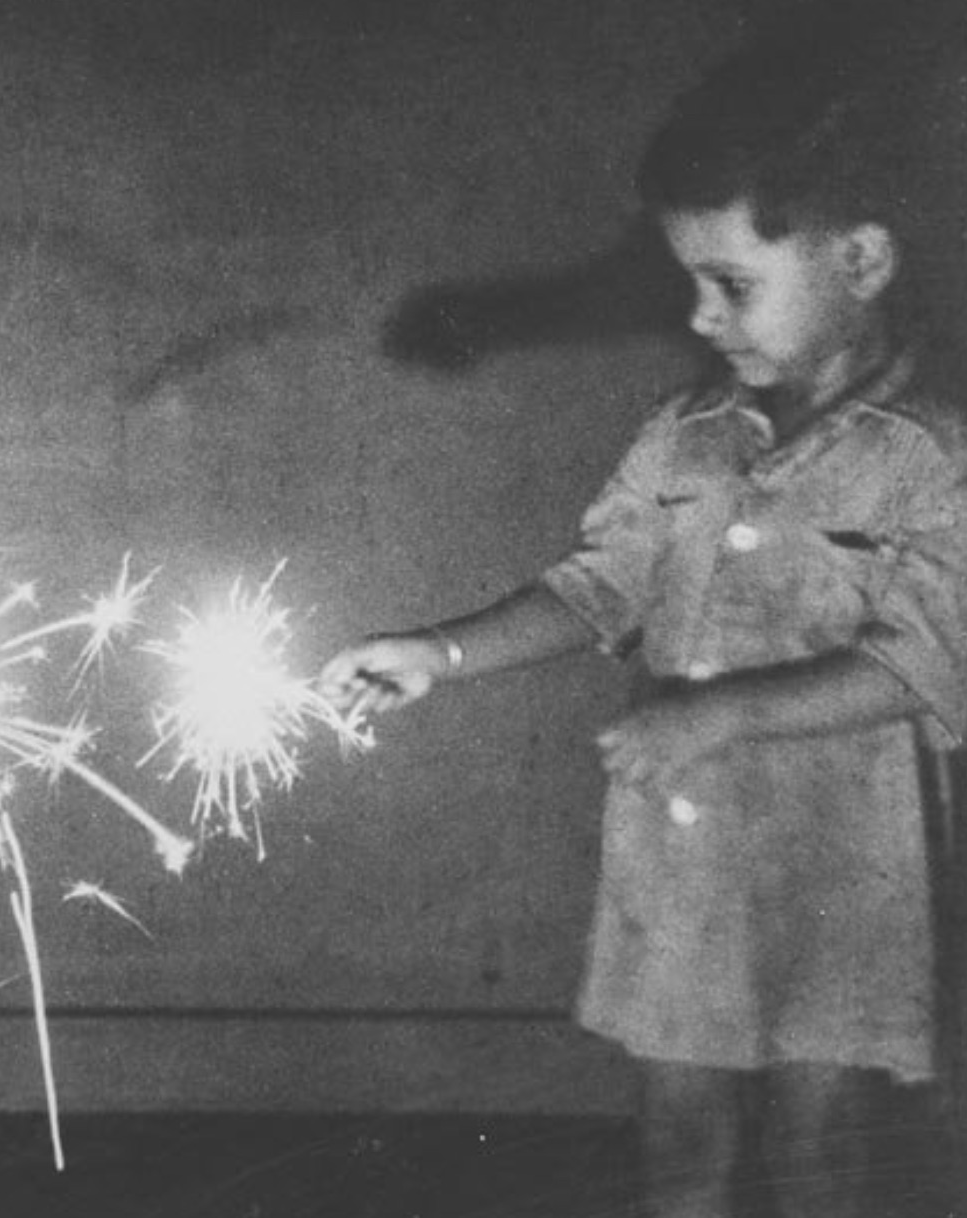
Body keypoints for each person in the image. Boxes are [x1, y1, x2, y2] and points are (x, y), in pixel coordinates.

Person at [318, 44, 967, 1218]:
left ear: (862, 259)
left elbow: (922, 662)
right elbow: (594, 588)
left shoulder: (933, 459)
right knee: (680, 1127)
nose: (700, 315)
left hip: (844, 871)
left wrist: (722, 712)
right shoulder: (683, 436)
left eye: (732, 283)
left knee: (826, 1136)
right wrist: (439, 653)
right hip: (689, 862)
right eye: (689, 283)